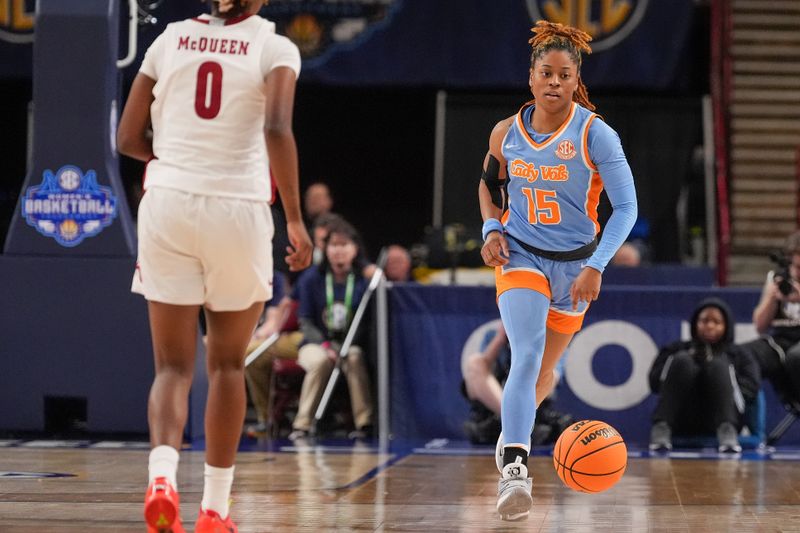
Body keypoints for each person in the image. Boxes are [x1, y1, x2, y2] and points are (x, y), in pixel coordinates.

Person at [117, 0, 313, 531]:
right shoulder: (275, 47)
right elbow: (276, 127)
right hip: (238, 209)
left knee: (172, 369)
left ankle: (161, 477)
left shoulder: (169, 38)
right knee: (226, 365)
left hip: (168, 201)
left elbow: (127, 139)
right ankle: (214, 511)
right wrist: (295, 219)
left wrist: (180, 156)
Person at [477, 21, 637, 521]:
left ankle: (512, 432)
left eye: (563, 75)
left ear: (575, 81)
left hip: (576, 266)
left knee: (546, 371)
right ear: (531, 77)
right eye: (545, 72)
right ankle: (516, 470)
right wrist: (490, 229)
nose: (553, 82)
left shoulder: (595, 133)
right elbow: (487, 184)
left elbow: (626, 208)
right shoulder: (506, 132)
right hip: (521, 254)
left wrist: (596, 265)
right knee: (524, 355)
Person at [288, 218, 375, 441]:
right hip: (316, 344)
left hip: (349, 344)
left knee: (355, 358)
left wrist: (346, 347)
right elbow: (305, 321)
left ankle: (364, 423)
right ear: (325, 249)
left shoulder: (363, 281)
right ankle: (303, 423)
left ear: (355, 249)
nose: (338, 251)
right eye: (333, 245)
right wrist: (325, 346)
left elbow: (367, 322)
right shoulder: (311, 279)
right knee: (318, 361)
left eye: (344, 245)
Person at [648, 298, 760, 453]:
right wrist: (689, 365)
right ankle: (661, 427)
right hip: (682, 416)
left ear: (727, 326)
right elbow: (654, 383)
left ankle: (727, 430)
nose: (710, 326)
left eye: (716, 322)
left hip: (723, 416)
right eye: (704, 321)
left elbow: (751, 388)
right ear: (695, 323)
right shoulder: (675, 349)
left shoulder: (739, 354)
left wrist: (714, 374)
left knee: (719, 364)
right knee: (682, 360)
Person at [461, 322, 572, 446]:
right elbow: (477, 373)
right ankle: (515, 421)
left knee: (544, 373)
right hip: (494, 407)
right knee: (475, 362)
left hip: (532, 405)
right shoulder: (492, 336)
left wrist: (533, 344)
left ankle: (519, 421)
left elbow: (552, 381)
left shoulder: (553, 339)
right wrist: (500, 338)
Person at [739, 230, 800, 411]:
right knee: (741, 356)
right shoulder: (778, 279)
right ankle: (739, 421)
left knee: (796, 357)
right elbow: (760, 325)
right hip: (780, 341)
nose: (798, 272)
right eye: (796, 266)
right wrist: (773, 298)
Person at [243, 271, 304, 437]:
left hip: (303, 336)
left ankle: (302, 423)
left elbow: (273, 316)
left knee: (248, 351)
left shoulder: (275, 278)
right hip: (261, 336)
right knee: (248, 353)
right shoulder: (232, 275)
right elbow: (285, 303)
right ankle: (267, 418)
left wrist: (258, 334)